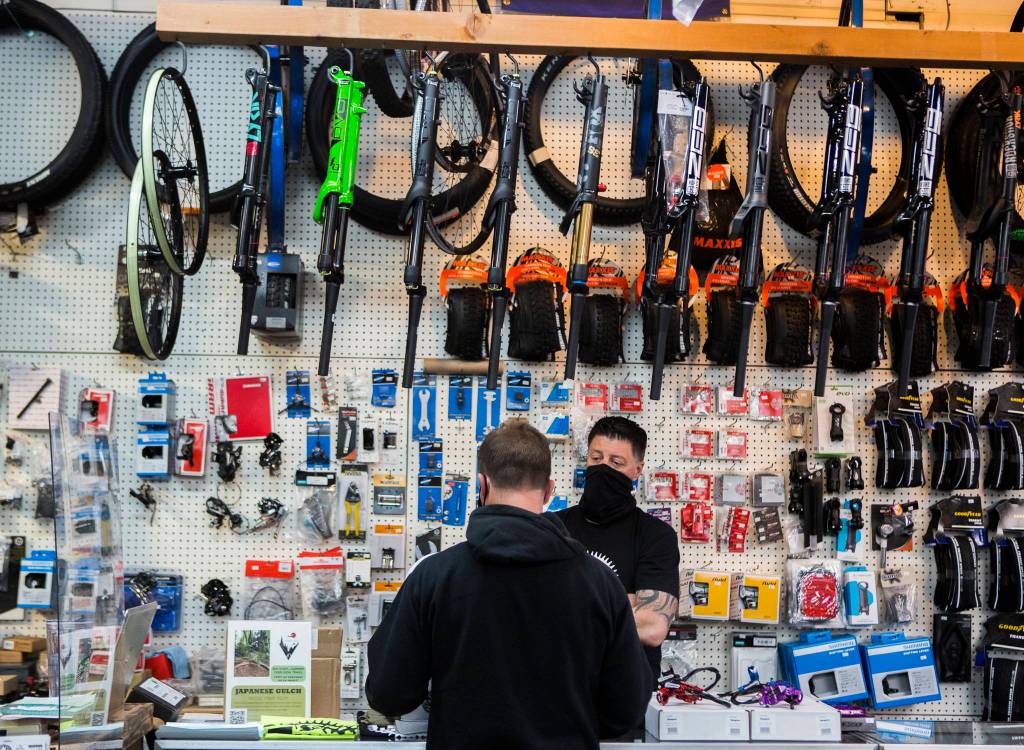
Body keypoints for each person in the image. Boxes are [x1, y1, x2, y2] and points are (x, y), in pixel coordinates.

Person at [365, 420, 650, 749]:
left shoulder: (433, 576)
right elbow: (624, 711)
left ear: (481, 486)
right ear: (549, 491)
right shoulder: (600, 582)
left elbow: (388, 694)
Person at [556, 416, 680, 687]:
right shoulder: (553, 528)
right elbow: (528, 609)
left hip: (623, 699)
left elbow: (651, 626)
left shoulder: (656, 537)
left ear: (638, 469)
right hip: (557, 693)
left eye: (616, 463)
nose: (603, 468)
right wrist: (627, 601)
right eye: (596, 458)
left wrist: (565, 603)